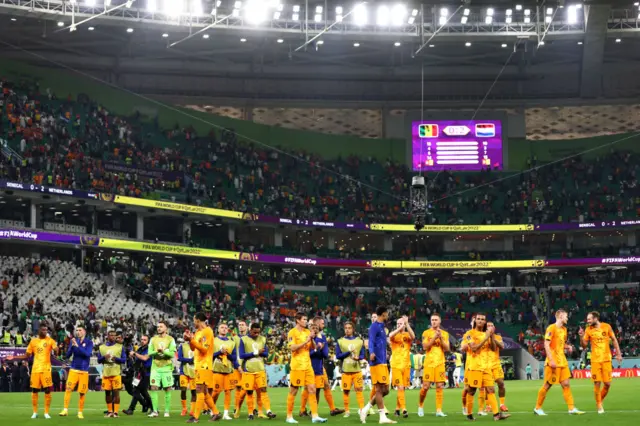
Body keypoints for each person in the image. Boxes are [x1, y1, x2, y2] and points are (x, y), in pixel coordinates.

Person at [534, 309, 585, 416]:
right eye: (566, 316)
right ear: (560, 316)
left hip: (562, 361)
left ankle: (571, 408)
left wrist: (568, 346)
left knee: (566, 384)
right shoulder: (551, 328)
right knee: (548, 385)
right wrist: (551, 360)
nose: (567, 318)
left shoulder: (564, 329)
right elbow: (546, 344)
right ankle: (537, 408)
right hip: (553, 362)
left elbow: (561, 344)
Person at [460, 313, 509, 421]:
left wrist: (491, 336)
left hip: (486, 366)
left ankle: (496, 415)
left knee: (491, 389)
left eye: (483, 319)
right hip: (475, 366)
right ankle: (469, 414)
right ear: (475, 320)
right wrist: (485, 337)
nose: (480, 321)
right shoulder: (469, 333)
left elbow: (492, 348)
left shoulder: (487, 333)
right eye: (478, 319)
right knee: (472, 390)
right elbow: (474, 348)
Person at [6, 324, 58, 419]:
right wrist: (14, 357)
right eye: (43, 330)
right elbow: (26, 355)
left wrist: (56, 349)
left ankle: (46, 412)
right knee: (35, 390)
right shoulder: (33, 342)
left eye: (46, 330)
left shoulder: (50, 340)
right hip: (35, 370)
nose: (45, 331)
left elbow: (57, 350)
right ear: (39, 331)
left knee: (47, 390)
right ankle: (35, 412)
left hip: (46, 369)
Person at [285, 313, 327, 424]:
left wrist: (312, 339)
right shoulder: (292, 332)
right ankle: (289, 416)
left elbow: (313, 347)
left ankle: (315, 416)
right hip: (297, 366)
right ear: (297, 320)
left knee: (313, 389)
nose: (306, 321)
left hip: (308, 366)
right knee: (293, 391)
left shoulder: (307, 332)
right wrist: (306, 341)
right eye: (304, 319)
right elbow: (292, 348)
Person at [579, 311, 622, 414]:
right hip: (595, 360)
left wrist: (618, 354)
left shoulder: (606, 327)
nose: (588, 321)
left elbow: (614, 339)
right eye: (587, 319)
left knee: (607, 384)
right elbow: (584, 345)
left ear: (595, 318)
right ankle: (599, 405)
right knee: (597, 383)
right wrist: (581, 336)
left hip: (606, 359)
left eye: (589, 319)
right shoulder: (588, 330)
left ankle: (599, 400)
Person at [300, 318, 344, 417]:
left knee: (324, 386)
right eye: (322, 323)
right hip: (310, 366)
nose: (324, 325)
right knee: (309, 388)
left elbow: (325, 354)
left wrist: (320, 349)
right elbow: (307, 353)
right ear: (317, 324)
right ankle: (304, 410)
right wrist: (317, 349)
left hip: (320, 366)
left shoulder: (322, 337)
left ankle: (331, 409)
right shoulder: (308, 336)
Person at [360, 306, 396, 425]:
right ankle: (382, 417)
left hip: (383, 362)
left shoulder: (382, 327)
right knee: (380, 389)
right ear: (383, 314)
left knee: (386, 390)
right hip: (376, 362)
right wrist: (371, 352)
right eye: (387, 313)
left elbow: (381, 342)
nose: (388, 315)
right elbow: (371, 341)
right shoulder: (374, 326)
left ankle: (366, 408)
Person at [238, 323, 276, 420]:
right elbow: (242, 355)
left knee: (263, 390)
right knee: (249, 392)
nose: (256, 334)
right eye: (255, 332)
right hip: (248, 370)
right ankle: (250, 413)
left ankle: (268, 411)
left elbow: (266, 353)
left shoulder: (262, 339)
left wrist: (262, 353)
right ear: (250, 330)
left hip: (260, 370)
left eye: (258, 332)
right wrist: (256, 353)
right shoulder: (243, 340)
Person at [185, 312, 218, 423]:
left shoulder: (208, 331)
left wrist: (192, 340)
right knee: (204, 392)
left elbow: (204, 350)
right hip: (198, 364)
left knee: (199, 390)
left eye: (194, 320)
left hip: (205, 364)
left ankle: (196, 417)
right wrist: (190, 339)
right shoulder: (198, 332)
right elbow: (193, 348)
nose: (193, 322)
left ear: (198, 320)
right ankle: (216, 413)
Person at [418, 313, 449, 418]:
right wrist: (434, 337)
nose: (434, 321)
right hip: (429, 363)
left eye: (436, 320)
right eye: (432, 320)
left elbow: (447, 349)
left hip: (440, 363)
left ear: (440, 321)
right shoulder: (426, 333)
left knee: (440, 386)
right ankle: (420, 406)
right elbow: (425, 347)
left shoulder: (444, 334)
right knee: (425, 387)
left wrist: (440, 338)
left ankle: (439, 410)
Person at [59, 326, 93, 419]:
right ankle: (65, 410)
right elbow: (68, 355)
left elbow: (87, 354)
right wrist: (72, 346)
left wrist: (77, 346)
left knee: (82, 393)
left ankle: (80, 412)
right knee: (68, 389)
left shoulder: (89, 342)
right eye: (77, 330)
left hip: (83, 371)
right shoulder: (73, 341)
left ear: (84, 332)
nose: (78, 332)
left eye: (80, 330)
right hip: (73, 369)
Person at [145, 321, 177, 418]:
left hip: (167, 368)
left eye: (161, 326)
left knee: (167, 388)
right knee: (153, 387)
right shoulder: (153, 339)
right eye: (158, 327)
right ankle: (155, 411)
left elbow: (172, 354)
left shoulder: (171, 339)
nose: (159, 328)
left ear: (166, 328)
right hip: (155, 367)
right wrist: (156, 351)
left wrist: (164, 352)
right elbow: (149, 352)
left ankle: (166, 411)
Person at [335, 321, 366, 418]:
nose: (347, 330)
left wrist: (359, 358)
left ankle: (361, 410)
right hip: (346, 370)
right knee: (346, 391)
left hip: (357, 370)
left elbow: (363, 354)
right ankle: (347, 411)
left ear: (353, 329)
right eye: (346, 328)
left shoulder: (359, 341)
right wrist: (348, 352)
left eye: (349, 328)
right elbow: (338, 356)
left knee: (359, 390)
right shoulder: (340, 341)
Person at [389, 315, 414, 418]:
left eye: (401, 323)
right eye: (398, 324)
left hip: (406, 365)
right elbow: (390, 335)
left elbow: (413, 337)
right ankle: (404, 409)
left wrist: (407, 324)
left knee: (402, 388)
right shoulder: (394, 336)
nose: (399, 325)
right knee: (399, 387)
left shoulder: (407, 335)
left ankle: (397, 409)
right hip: (396, 365)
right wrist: (400, 328)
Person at [212, 323, 239, 420]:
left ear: (228, 330)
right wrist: (220, 352)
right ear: (218, 329)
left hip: (228, 370)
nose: (224, 329)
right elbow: (210, 356)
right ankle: (213, 410)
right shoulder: (214, 341)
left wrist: (227, 353)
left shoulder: (231, 342)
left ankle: (226, 413)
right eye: (222, 327)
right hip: (216, 370)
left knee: (228, 392)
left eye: (226, 328)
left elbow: (234, 357)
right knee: (216, 392)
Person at [98, 330, 127, 418]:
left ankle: (116, 412)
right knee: (107, 393)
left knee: (116, 393)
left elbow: (124, 360)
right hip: (106, 374)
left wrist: (116, 359)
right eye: (111, 335)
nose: (113, 337)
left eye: (114, 336)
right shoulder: (101, 347)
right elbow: (99, 360)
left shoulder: (120, 347)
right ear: (107, 336)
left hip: (116, 373)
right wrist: (104, 357)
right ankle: (110, 412)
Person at [124, 335, 153, 415]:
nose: (142, 341)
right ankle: (151, 407)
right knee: (142, 392)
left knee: (137, 390)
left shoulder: (150, 349)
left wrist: (135, 354)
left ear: (148, 341)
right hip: (139, 373)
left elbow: (144, 358)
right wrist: (132, 356)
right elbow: (137, 360)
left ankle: (132, 409)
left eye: (145, 340)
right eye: (142, 339)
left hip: (146, 373)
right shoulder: (140, 349)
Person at [232, 320, 253, 418]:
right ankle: (236, 408)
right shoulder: (234, 338)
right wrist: (236, 365)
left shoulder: (250, 338)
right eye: (239, 325)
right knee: (238, 388)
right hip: (237, 367)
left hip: (248, 366)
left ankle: (251, 409)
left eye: (242, 325)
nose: (240, 326)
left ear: (247, 327)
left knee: (249, 388)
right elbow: (232, 353)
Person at [486, 322, 508, 413]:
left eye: (492, 326)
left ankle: (502, 404)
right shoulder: (482, 336)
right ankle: (488, 405)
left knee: (501, 383)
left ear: (494, 328)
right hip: (486, 364)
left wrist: (492, 337)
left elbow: (502, 346)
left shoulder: (498, 337)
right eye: (488, 326)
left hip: (496, 364)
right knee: (488, 387)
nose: (490, 327)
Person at [178, 338, 197, 417]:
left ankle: (192, 411)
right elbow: (179, 357)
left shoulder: (198, 347)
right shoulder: (182, 346)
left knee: (194, 392)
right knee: (183, 390)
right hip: (184, 371)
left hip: (194, 372)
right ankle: (184, 408)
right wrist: (190, 360)